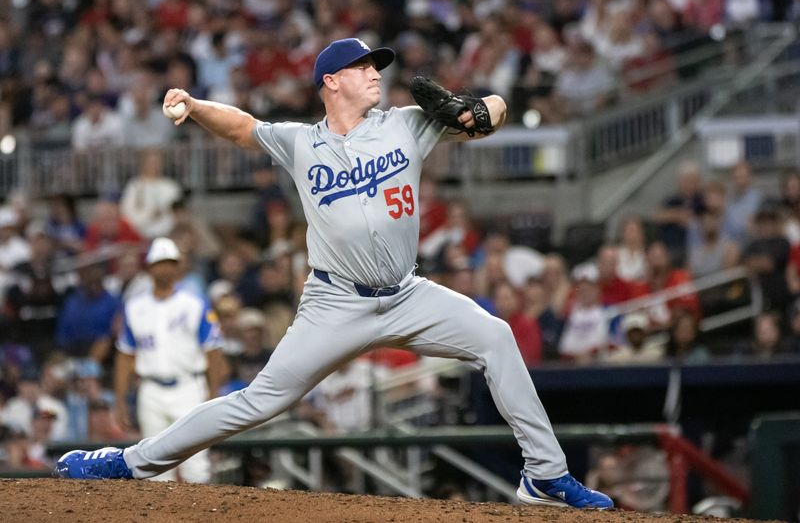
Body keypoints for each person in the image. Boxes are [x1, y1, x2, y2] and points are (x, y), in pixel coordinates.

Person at [55, 38, 612, 509]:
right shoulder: (302, 143)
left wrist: (483, 110)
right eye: (364, 67)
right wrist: (195, 104)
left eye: (377, 66)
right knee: (258, 401)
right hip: (335, 303)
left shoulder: (406, 124)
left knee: (495, 335)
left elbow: (492, 109)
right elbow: (243, 128)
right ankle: (129, 463)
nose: (376, 74)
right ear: (331, 81)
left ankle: (543, 472)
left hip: (407, 293)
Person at [112, 237, 225, 483]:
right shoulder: (134, 306)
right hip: (150, 389)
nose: (165, 268)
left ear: (178, 267)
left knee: (196, 464)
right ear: (150, 267)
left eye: (170, 263)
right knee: (154, 468)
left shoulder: (194, 302)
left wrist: (213, 391)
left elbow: (213, 351)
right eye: (159, 263)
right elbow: (125, 354)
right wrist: (120, 399)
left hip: (189, 387)